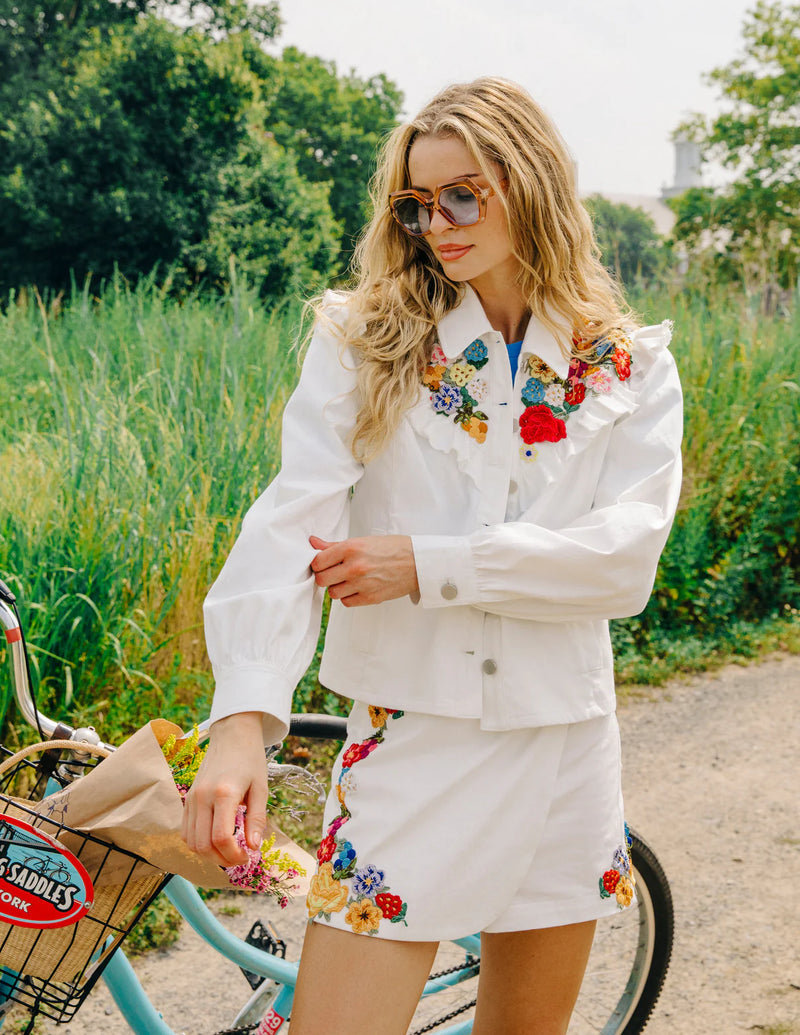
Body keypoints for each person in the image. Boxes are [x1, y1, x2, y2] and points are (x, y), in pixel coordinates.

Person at [181, 77, 683, 1035]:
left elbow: (622, 564)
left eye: (464, 194)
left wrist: (428, 564)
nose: (437, 222)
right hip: (414, 740)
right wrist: (243, 721)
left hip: (566, 744)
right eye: (417, 204)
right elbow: (291, 520)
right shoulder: (365, 341)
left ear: (530, 181)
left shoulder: (628, 366)